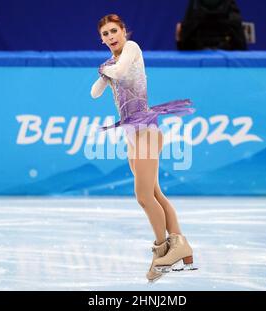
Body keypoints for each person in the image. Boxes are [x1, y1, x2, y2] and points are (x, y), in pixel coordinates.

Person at [90, 14, 196, 282]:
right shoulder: (109, 63)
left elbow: (121, 71)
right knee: (155, 194)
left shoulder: (132, 49)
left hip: (147, 130)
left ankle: (162, 251)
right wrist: (104, 72)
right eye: (105, 34)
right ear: (101, 39)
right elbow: (94, 92)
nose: (111, 37)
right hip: (132, 135)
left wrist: (106, 70)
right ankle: (180, 244)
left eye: (114, 31)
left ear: (124, 31)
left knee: (143, 196)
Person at [176, 0, 247, 51]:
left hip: (198, 51)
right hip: (225, 51)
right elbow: (240, 41)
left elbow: (184, 38)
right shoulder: (194, 4)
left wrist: (181, 43)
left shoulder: (194, 4)